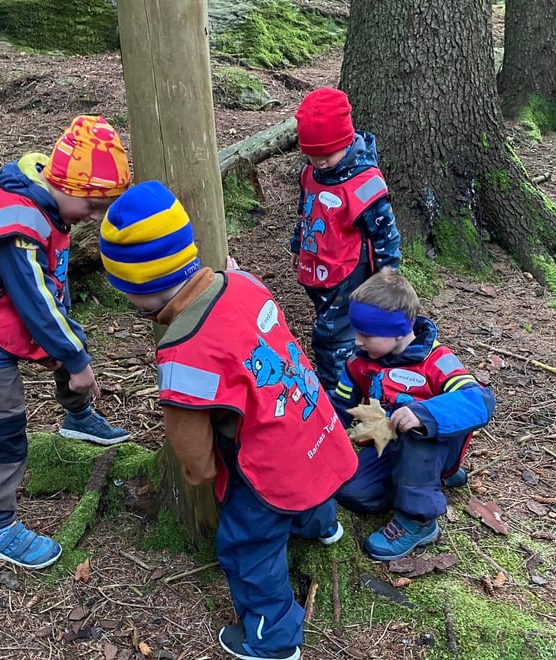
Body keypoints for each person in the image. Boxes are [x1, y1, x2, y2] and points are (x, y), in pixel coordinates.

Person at [99, 180, 358, 660]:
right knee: (309, 473)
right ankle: (321, 525)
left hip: (271, 461)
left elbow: (194, 456)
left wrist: (207, 477)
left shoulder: (182, 352)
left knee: (246, 543)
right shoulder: (241, 283)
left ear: (138, 290)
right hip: (313, 421)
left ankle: (272, 637)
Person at [0, 116, 132, 569]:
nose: (94, 218)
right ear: (65, 184)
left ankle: (78, 417)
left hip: (15, 311)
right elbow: (34, 301)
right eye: (92, 205)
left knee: (67, 345)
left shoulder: (47, 194)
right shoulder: (19, 224)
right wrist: (76, 358)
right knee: (4, 421)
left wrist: (71, 351)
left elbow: (42, 302)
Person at [330, 270, 496, 561]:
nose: (357, 341)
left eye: (366, 334)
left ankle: (419, 520)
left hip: (432, 447)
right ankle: (423, 484)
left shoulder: (435, 361)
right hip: (389, 450)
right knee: (351, 491)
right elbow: (339, 406)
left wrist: (424, 413)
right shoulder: (359, 363)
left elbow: (479, 401)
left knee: (416, 430)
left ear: (397, 330)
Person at [291, 86, 402, 392]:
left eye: (327, 154)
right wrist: (298, 245)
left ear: (345, 141)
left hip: (348, 272)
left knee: (331, 337)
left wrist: (387, 274)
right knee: (332, 324)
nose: (320, 161)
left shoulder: (364, 183)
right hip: (317, 267)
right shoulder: (310, 174)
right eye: (312, 155)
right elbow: (306, 212)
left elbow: (384, 232)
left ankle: (337, 394)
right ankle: (362, 375)